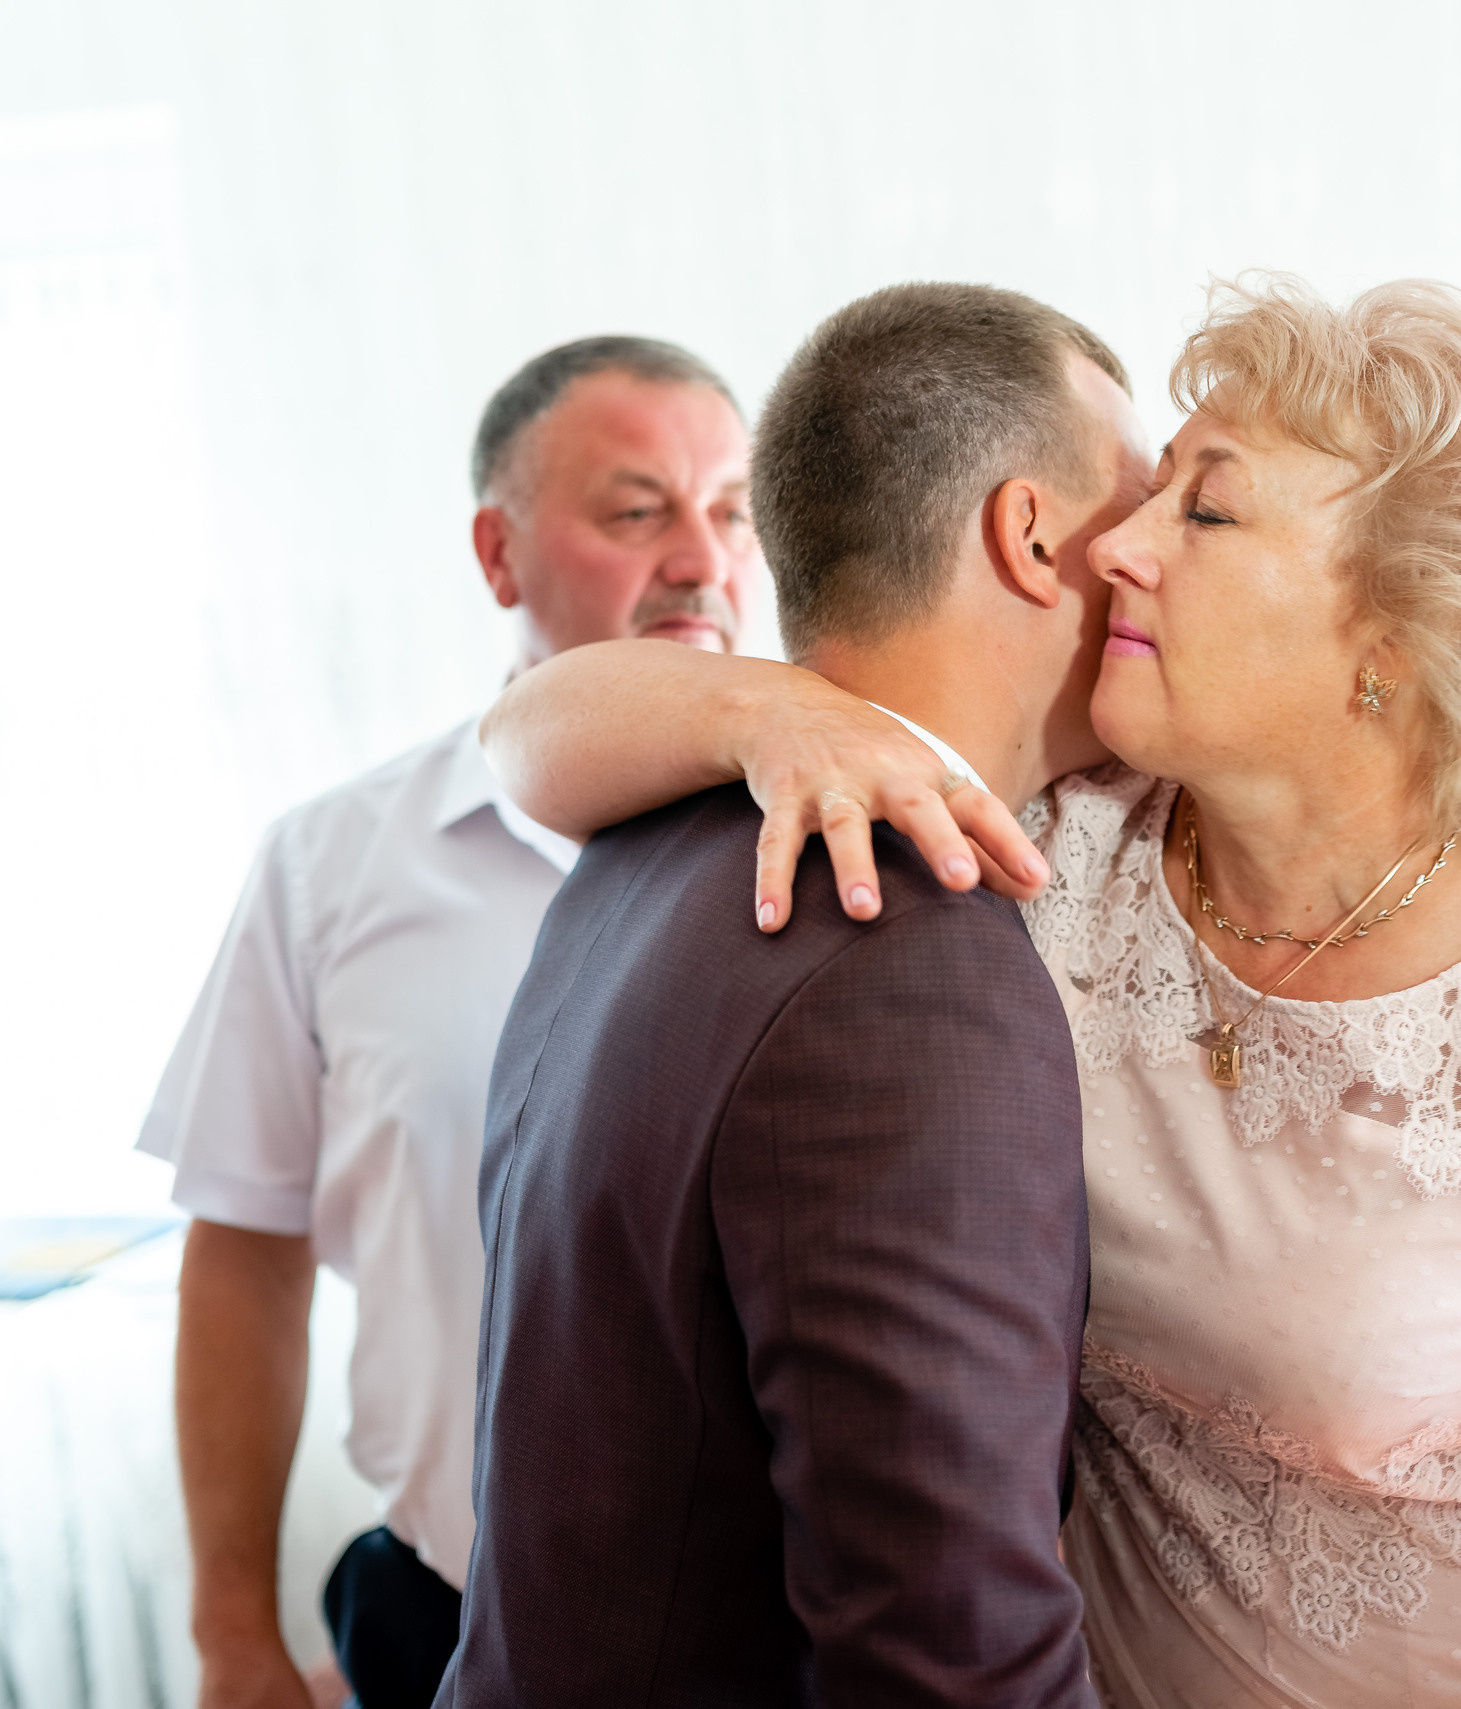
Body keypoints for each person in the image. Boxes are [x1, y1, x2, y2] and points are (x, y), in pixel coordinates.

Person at [485, 277, 1461, 1705]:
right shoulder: (1051, 842)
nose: (1117, 543)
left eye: (1200, 509)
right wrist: (765, 704)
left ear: (1394, 641)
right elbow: (527, 736)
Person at [433, 283, 1148, 1707]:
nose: (1147, 564)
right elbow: (947, 1649)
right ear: (1028, 536)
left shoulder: (645, 835)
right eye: (1130, 511)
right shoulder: (903, 937)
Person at [142, 334, 764, 1709]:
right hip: (441, 1618)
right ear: (499, 555)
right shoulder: (330, 865)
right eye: (636, 509)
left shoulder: (841, 851)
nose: (702, 560)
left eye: (732, 510)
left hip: (774, 1651)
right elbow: (245, 1257)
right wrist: (233, 1630)